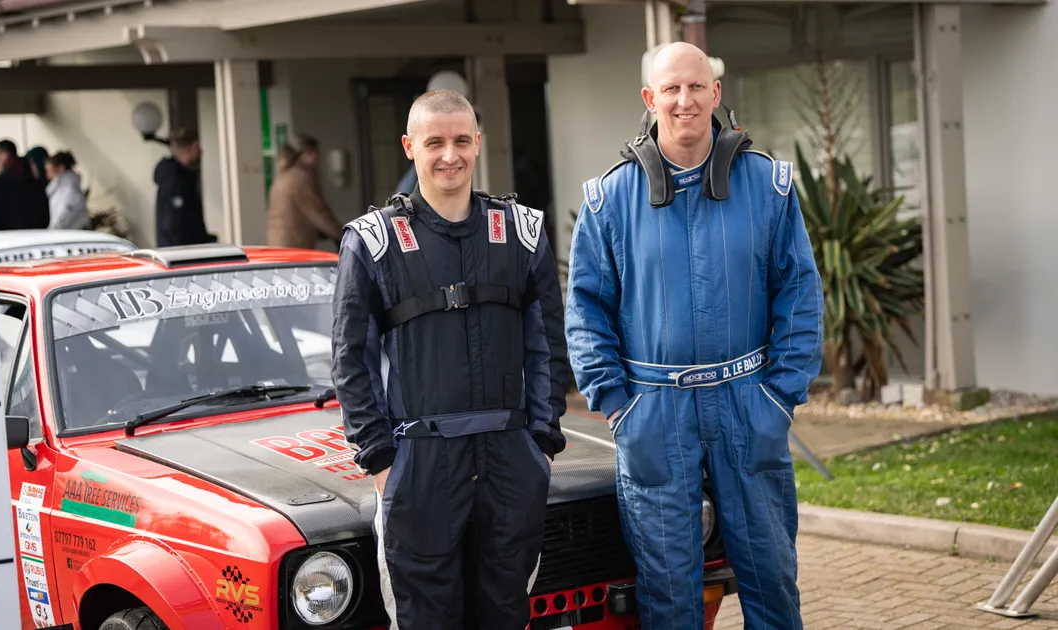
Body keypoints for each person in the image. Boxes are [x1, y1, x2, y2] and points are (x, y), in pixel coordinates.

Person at [564, 42, 823, 630]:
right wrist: (619, 406)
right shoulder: (610, 200)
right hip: (653, 412)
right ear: (650, 98)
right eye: (671, 89)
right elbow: (585, 311)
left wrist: (780, 396)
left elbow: (800, 294)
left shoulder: (769, 185)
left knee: (772, 580)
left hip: (748, 404)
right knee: (668, 594)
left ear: (716, 93)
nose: (685, 100)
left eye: (696, 86)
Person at [331, 89, 569, 630]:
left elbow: (548, 348)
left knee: (505, 615)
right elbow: (351, 360)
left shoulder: (521, 232)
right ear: (409, 147)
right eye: (434, 142)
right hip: (418, 466)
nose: (449, 155)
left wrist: (541, 445)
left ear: (478, 143)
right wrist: (382, 462)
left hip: (511, 463)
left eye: (462, 140)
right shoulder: (373, 241)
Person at [266, 134, 343, 249]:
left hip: (279, 244)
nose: (317, 158)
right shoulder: (302, 178)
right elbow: (318, 212)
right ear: (306, 154)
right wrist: (343, 234)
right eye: (314, 153)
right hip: (295, 246)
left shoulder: (283, 176)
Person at [154, 128, 212, 247]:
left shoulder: (173, 176)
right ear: (194, 147)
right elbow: (175, 222)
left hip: (178, 249)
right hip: (181, 251)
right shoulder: (176, 180)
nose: (201, 152)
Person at [0, 139, 50, 231]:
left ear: (4, 155)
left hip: (7, 238)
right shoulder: (35, 183)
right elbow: (45, 218)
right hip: (36, 236)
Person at [44, 151, 90, 230]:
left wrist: (52, 231)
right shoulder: (59, 189)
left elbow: (64, 218)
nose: (47, 173)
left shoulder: (70, 191)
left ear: (61, 168)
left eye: (49, 169)